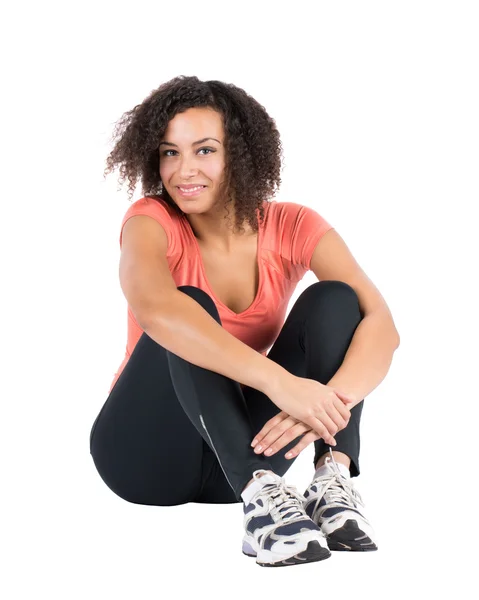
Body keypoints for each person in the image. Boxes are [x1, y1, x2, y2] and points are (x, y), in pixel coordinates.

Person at [89, 75, 400, 568]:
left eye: (205, 150)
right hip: (143, 455)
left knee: (338, 301)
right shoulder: (150, 220)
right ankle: (261, 503)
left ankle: (329, 482)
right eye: (169, 153)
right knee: (187, 303)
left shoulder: (293, 225)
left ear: (241, 152)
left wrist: (326, 403)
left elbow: (382, 324)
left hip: (243, 457)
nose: (184, 170)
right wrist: (282, 383)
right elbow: (157, 309)